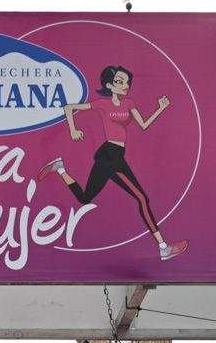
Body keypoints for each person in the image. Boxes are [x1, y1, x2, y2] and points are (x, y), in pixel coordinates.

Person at [38, 64, 188, 261]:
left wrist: (160, 109)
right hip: (110, 155)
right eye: (119, 81)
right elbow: (69, 108)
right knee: (142, 199)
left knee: (84, 198)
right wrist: (73, 129)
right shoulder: (102, 104)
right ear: (109, 85)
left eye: (126, 82)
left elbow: (143, 125)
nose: (124, 85)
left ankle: (60, 168)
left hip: (115, 155)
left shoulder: (129, 103)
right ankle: (163, 247)